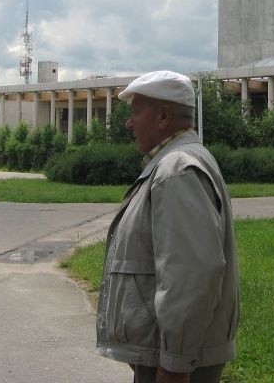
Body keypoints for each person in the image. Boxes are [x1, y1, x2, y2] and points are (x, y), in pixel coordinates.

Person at [96, 70, 240, 383]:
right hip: (169, 356)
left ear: (163, 115)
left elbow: (191, 275)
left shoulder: (176, 171)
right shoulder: (176, 163)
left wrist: (174, 366)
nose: (128, 123)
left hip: (176, 366)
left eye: (135, 112)